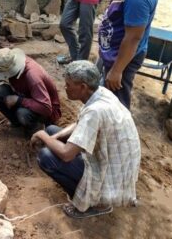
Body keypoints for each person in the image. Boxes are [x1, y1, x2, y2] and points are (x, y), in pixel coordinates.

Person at [32, 61, 140, 219]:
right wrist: (52, 137)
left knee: (46, 157)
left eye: (68, 85)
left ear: (83, 87)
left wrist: (41, 135)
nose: (65, 87)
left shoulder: (95, 111)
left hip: (111, 176)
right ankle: (88, 191)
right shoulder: (100, 92)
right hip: (115, 163)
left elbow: (66, 154)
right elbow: (79, 123)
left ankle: (95, 204)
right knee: (53, 131)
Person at [98, 0, 158, 108]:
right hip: (113, 53)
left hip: (122, 59)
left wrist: (117, 71)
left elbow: (133, 38)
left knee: (116, 105)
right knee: (105, 98)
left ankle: (119, 134)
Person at [0, 48, 61, 132]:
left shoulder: (32, 76)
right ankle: (17, 122)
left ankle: (37, 128)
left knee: (22, 113)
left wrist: (19, 101)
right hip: (25, 96)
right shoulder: (10, 60)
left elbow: (46, 108)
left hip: (46, 110)